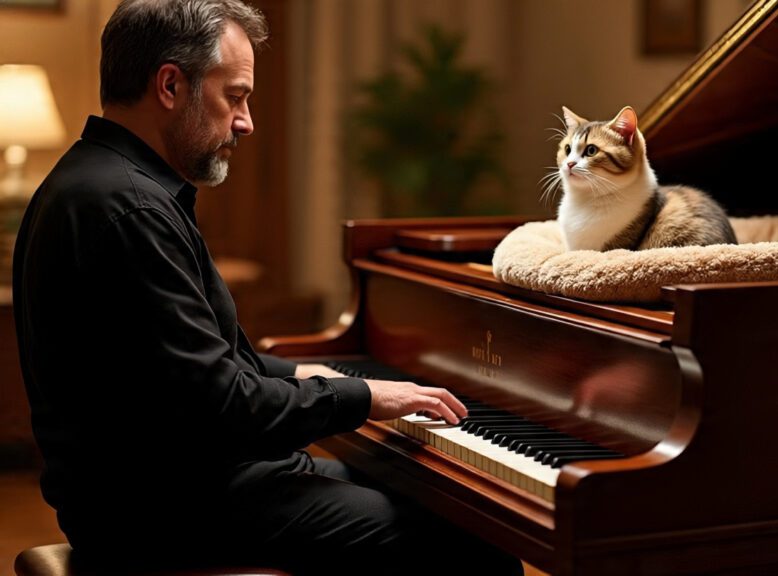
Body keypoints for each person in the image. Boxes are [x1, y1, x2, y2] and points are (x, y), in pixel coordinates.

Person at [12, 1, 522, 574]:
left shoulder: (98, 182)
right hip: (161, 511)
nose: (247, 120)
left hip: (164, 484)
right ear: (171, 85)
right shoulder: (129, 208)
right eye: (235, 95)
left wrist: (305, 375)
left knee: (437, 500)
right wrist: (365, 397)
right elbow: (222, 404)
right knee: (473, 549)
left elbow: (189, 367)